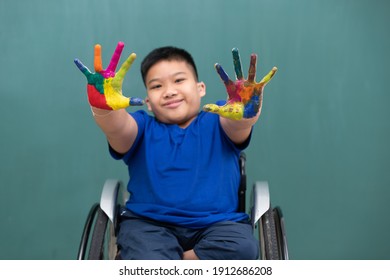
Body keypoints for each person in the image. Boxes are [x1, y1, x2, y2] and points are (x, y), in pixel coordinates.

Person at [74, 42, 277, 260]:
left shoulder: (219, 119)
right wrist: (103, 109)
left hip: (218, 225)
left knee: (243, 248)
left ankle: (174, 262)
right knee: (146, 251)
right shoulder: (142, 127)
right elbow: (118, 128)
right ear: (148, 103)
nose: (169, 91)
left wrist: (247, 114)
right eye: (156, 86)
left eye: (179, 80)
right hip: (148, 225)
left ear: (201, 88)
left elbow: (238, 125)